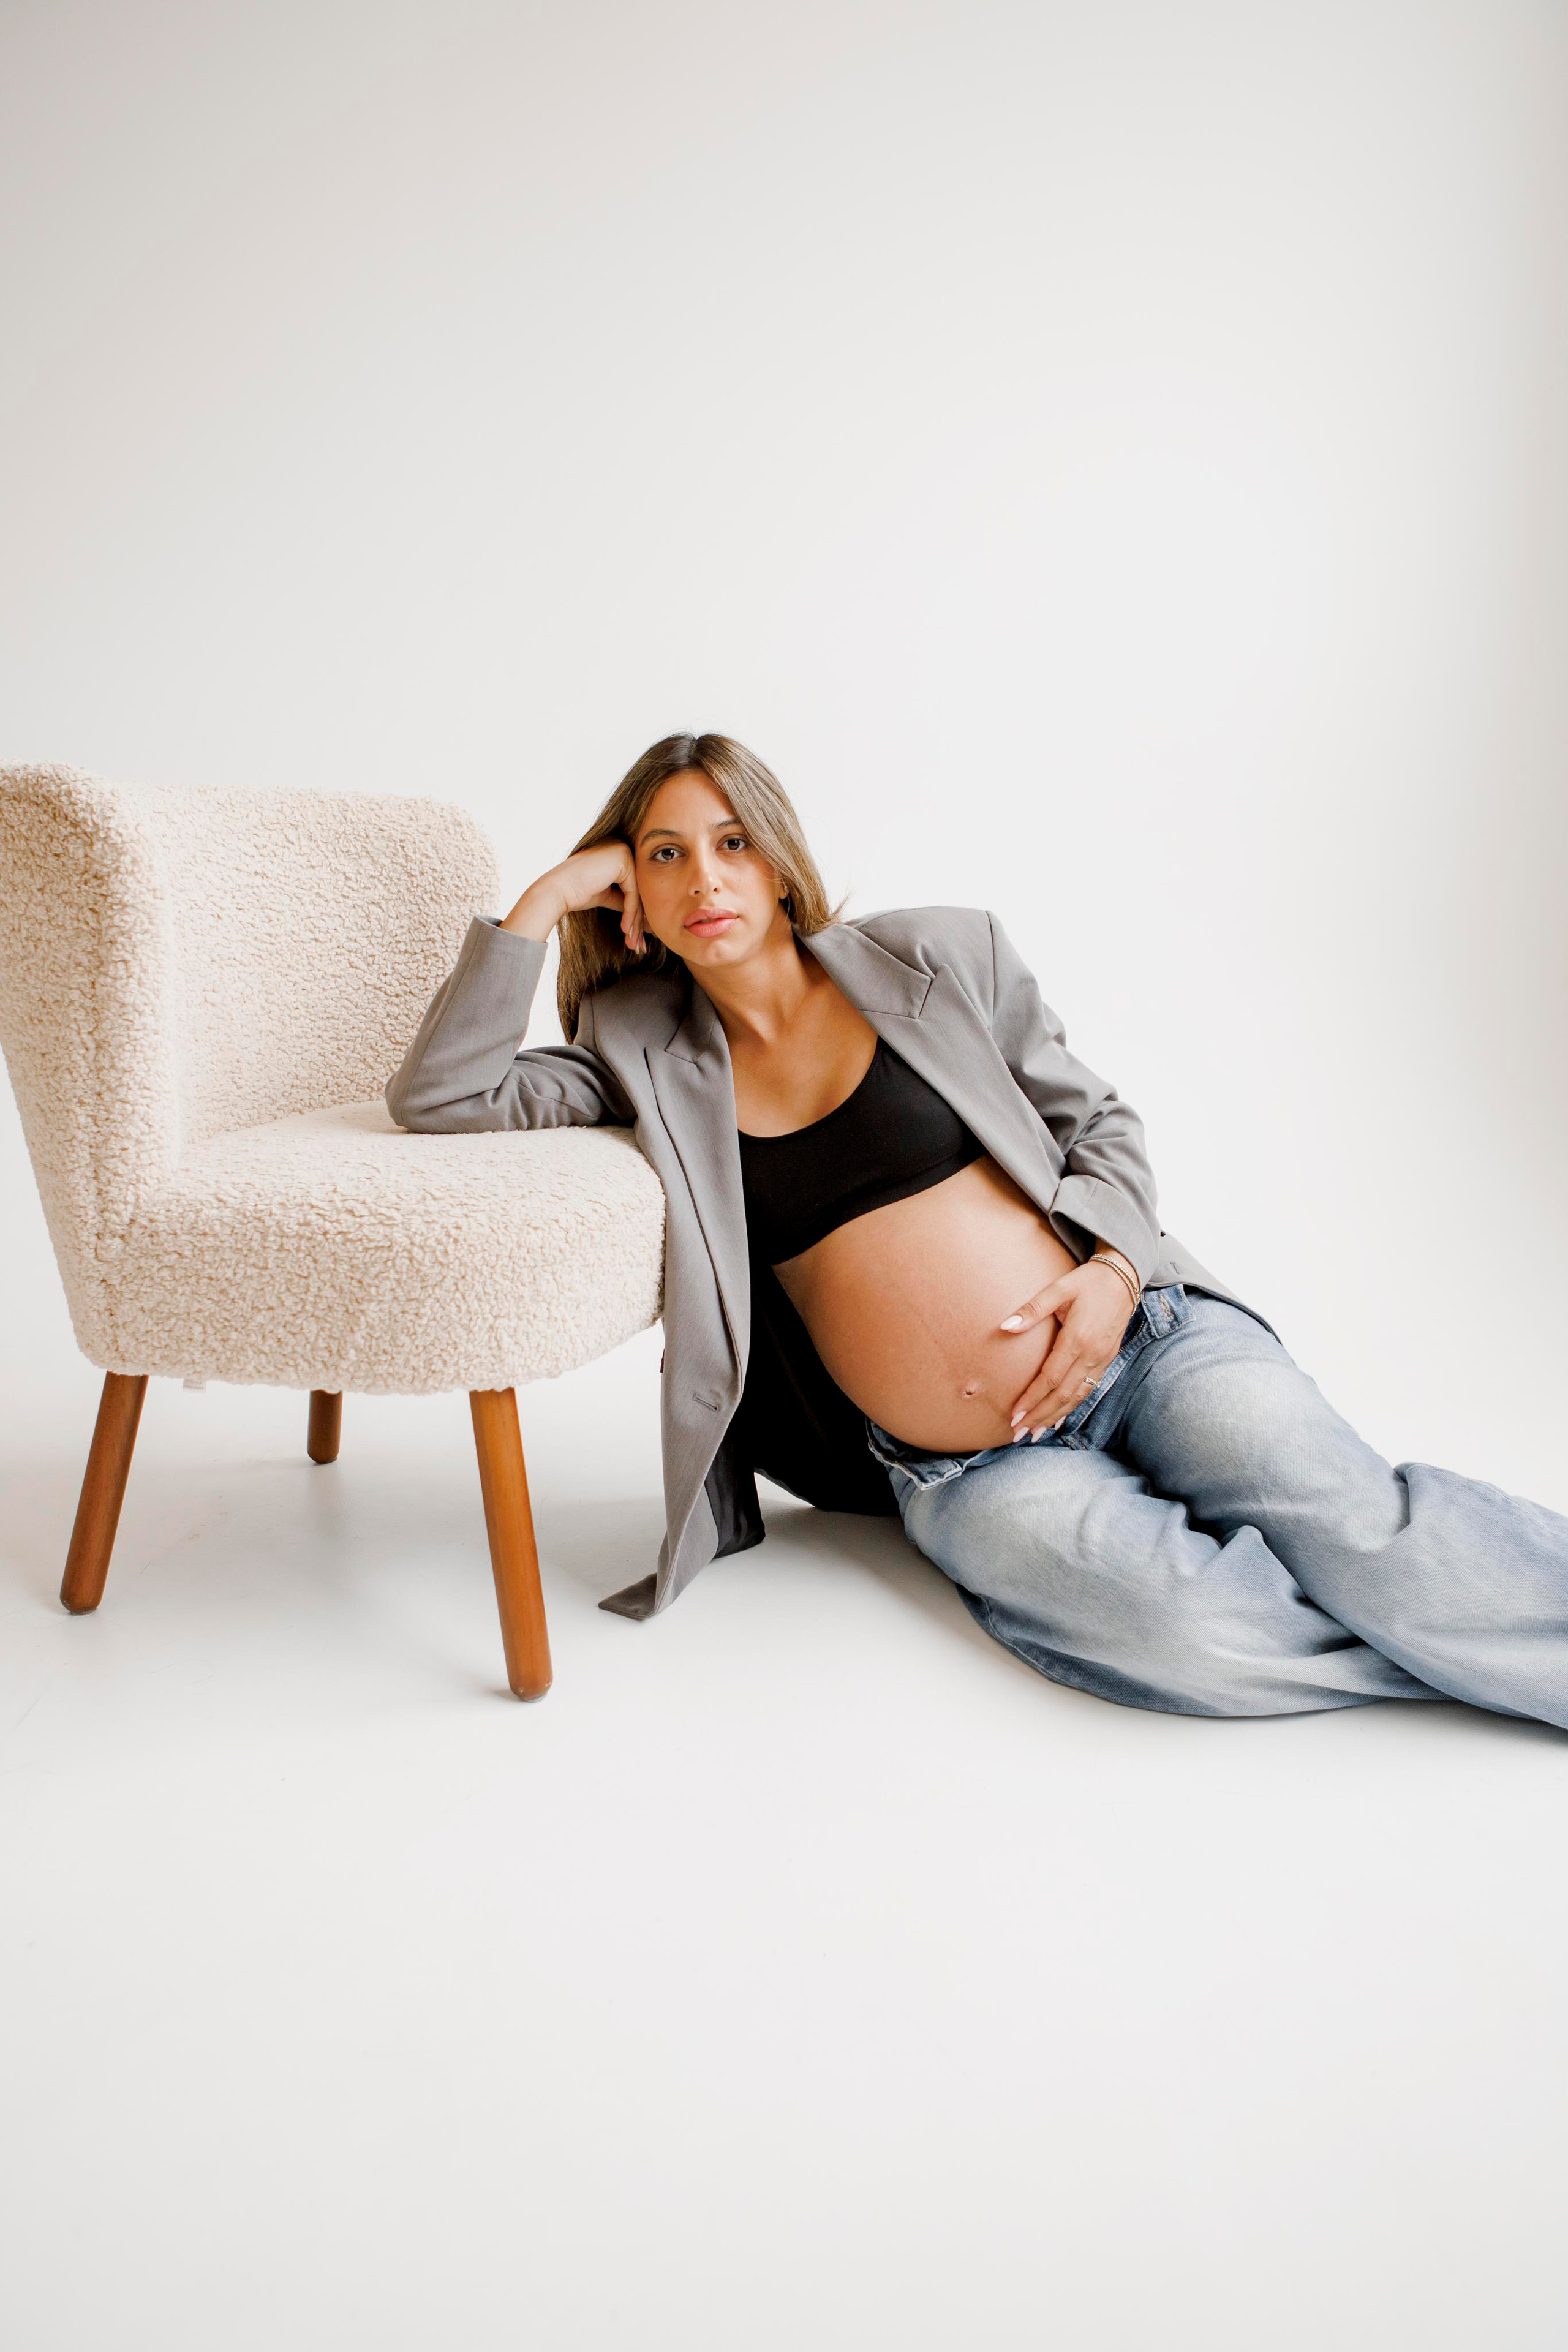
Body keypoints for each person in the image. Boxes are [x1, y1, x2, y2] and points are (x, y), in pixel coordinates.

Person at [386, 733, 1568, 1727]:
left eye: (732, 843)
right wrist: (542, 900)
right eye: (665, 855)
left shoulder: (938, 956)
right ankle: (1445, 1656)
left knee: (1357, 1526)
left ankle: (1475, 1632)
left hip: (1142, 1344)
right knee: (1179, 1629)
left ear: (781, 862)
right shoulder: (635, 1050)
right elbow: (442, 1101)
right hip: (966, 1466)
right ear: (630, 890)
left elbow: (1099, 1121)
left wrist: (1110, 1277)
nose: (707, 878)